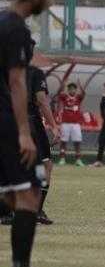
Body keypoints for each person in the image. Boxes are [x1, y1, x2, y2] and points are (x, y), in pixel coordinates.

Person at [0, 0, 63, 267]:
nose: (50, 2)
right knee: (30, 194)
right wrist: (25, 133)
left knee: (14, 195)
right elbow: (16, 81)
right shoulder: (16, 31)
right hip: (6, 123)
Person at [28, 65, 59, 225]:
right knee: (44, 166)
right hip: (30, 121)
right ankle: (36, 210)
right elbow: (42, 101)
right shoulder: (35, 73)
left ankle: (7, 211)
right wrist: (53, 126)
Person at [56, 80, 85, 166]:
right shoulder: (64, 96)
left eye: (73, 89)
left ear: (76, 90)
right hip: (65, 123)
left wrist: (81, 86)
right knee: (63, 141)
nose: (72, 90)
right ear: (68, 90)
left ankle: (78, 160)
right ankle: (62, 159)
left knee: (77, 142)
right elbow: (58, 93)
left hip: (76, 124)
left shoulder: (78, 97)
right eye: (70, 89)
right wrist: (62, 86)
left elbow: (83, 94)